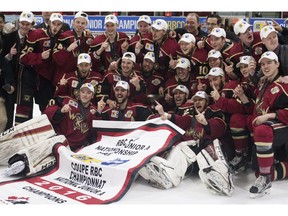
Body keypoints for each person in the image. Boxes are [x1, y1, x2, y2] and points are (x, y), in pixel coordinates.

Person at [138, 90, 234, 196]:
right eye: (195, 100)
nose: (197, 102)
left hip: (207, 153)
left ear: (206, 101)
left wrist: (206, 123)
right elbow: (179, 119)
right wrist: (164, 114)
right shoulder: (189, 117)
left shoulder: (213, 112)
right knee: (180, 146)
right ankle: (169, 176)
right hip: (192, 159)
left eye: (200, 100)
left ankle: (222, 177)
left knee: (209, 145)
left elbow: (221, 127)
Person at [241, 51, 288, 198]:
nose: (266, 66)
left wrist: (271, 115)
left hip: (282, 126)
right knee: (259, 170)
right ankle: (264, 172)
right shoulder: (262, 82)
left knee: (262, 130)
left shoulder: (284, 85)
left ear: (277, 64)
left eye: (269, 62)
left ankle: (265, 179)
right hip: (267, 128)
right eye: (263, 63)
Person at [18, 13, 64, 126]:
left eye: (58, 24)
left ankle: (47, 135)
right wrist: (40, 57)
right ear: (49, 23)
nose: (55, 27)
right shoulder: (36, 34)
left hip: (47, 81)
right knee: (24, 110)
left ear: (61, 26)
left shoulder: (63, 38)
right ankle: (18, 136)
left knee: (47, 110)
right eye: (53, 23)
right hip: (30, 77)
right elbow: (23, 57)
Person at [2, 11, 35, 129]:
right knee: (9, 108)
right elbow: (2, 60)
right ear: (19, 23)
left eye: (28, 24)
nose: (25, 26)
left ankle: (24, 134)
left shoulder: (34, 37)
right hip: (11, 79)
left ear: (31, 25)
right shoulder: (8, 37)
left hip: (27, 81)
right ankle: (7, 134)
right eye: (23, 23)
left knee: (26, 110)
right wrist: (10, 55)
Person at [44, 83, 98, 152]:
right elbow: (47, 112)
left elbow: (94, 133)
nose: (85, 95)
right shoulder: (68, 101)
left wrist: (99, 112)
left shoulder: (94, 111)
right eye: (83, 92)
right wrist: (60, 111)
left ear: (92, 95)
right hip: (61, 143)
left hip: (78, 149)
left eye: (88, 93)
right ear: (79, 93)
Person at [53, 11, 93, 85]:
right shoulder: (64, 37)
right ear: (73, 22)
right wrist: (67, 50)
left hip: (81, 76)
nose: (80, 25)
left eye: (83, 23)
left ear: (86, 25)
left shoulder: (88, 37)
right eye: (78, 22)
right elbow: (57, 59)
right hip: (64, 76)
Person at [0, 38, 15, 132]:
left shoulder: (4, 63)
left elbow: (11, 82)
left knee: (3, 120)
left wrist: (9, 88)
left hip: (0, 97)